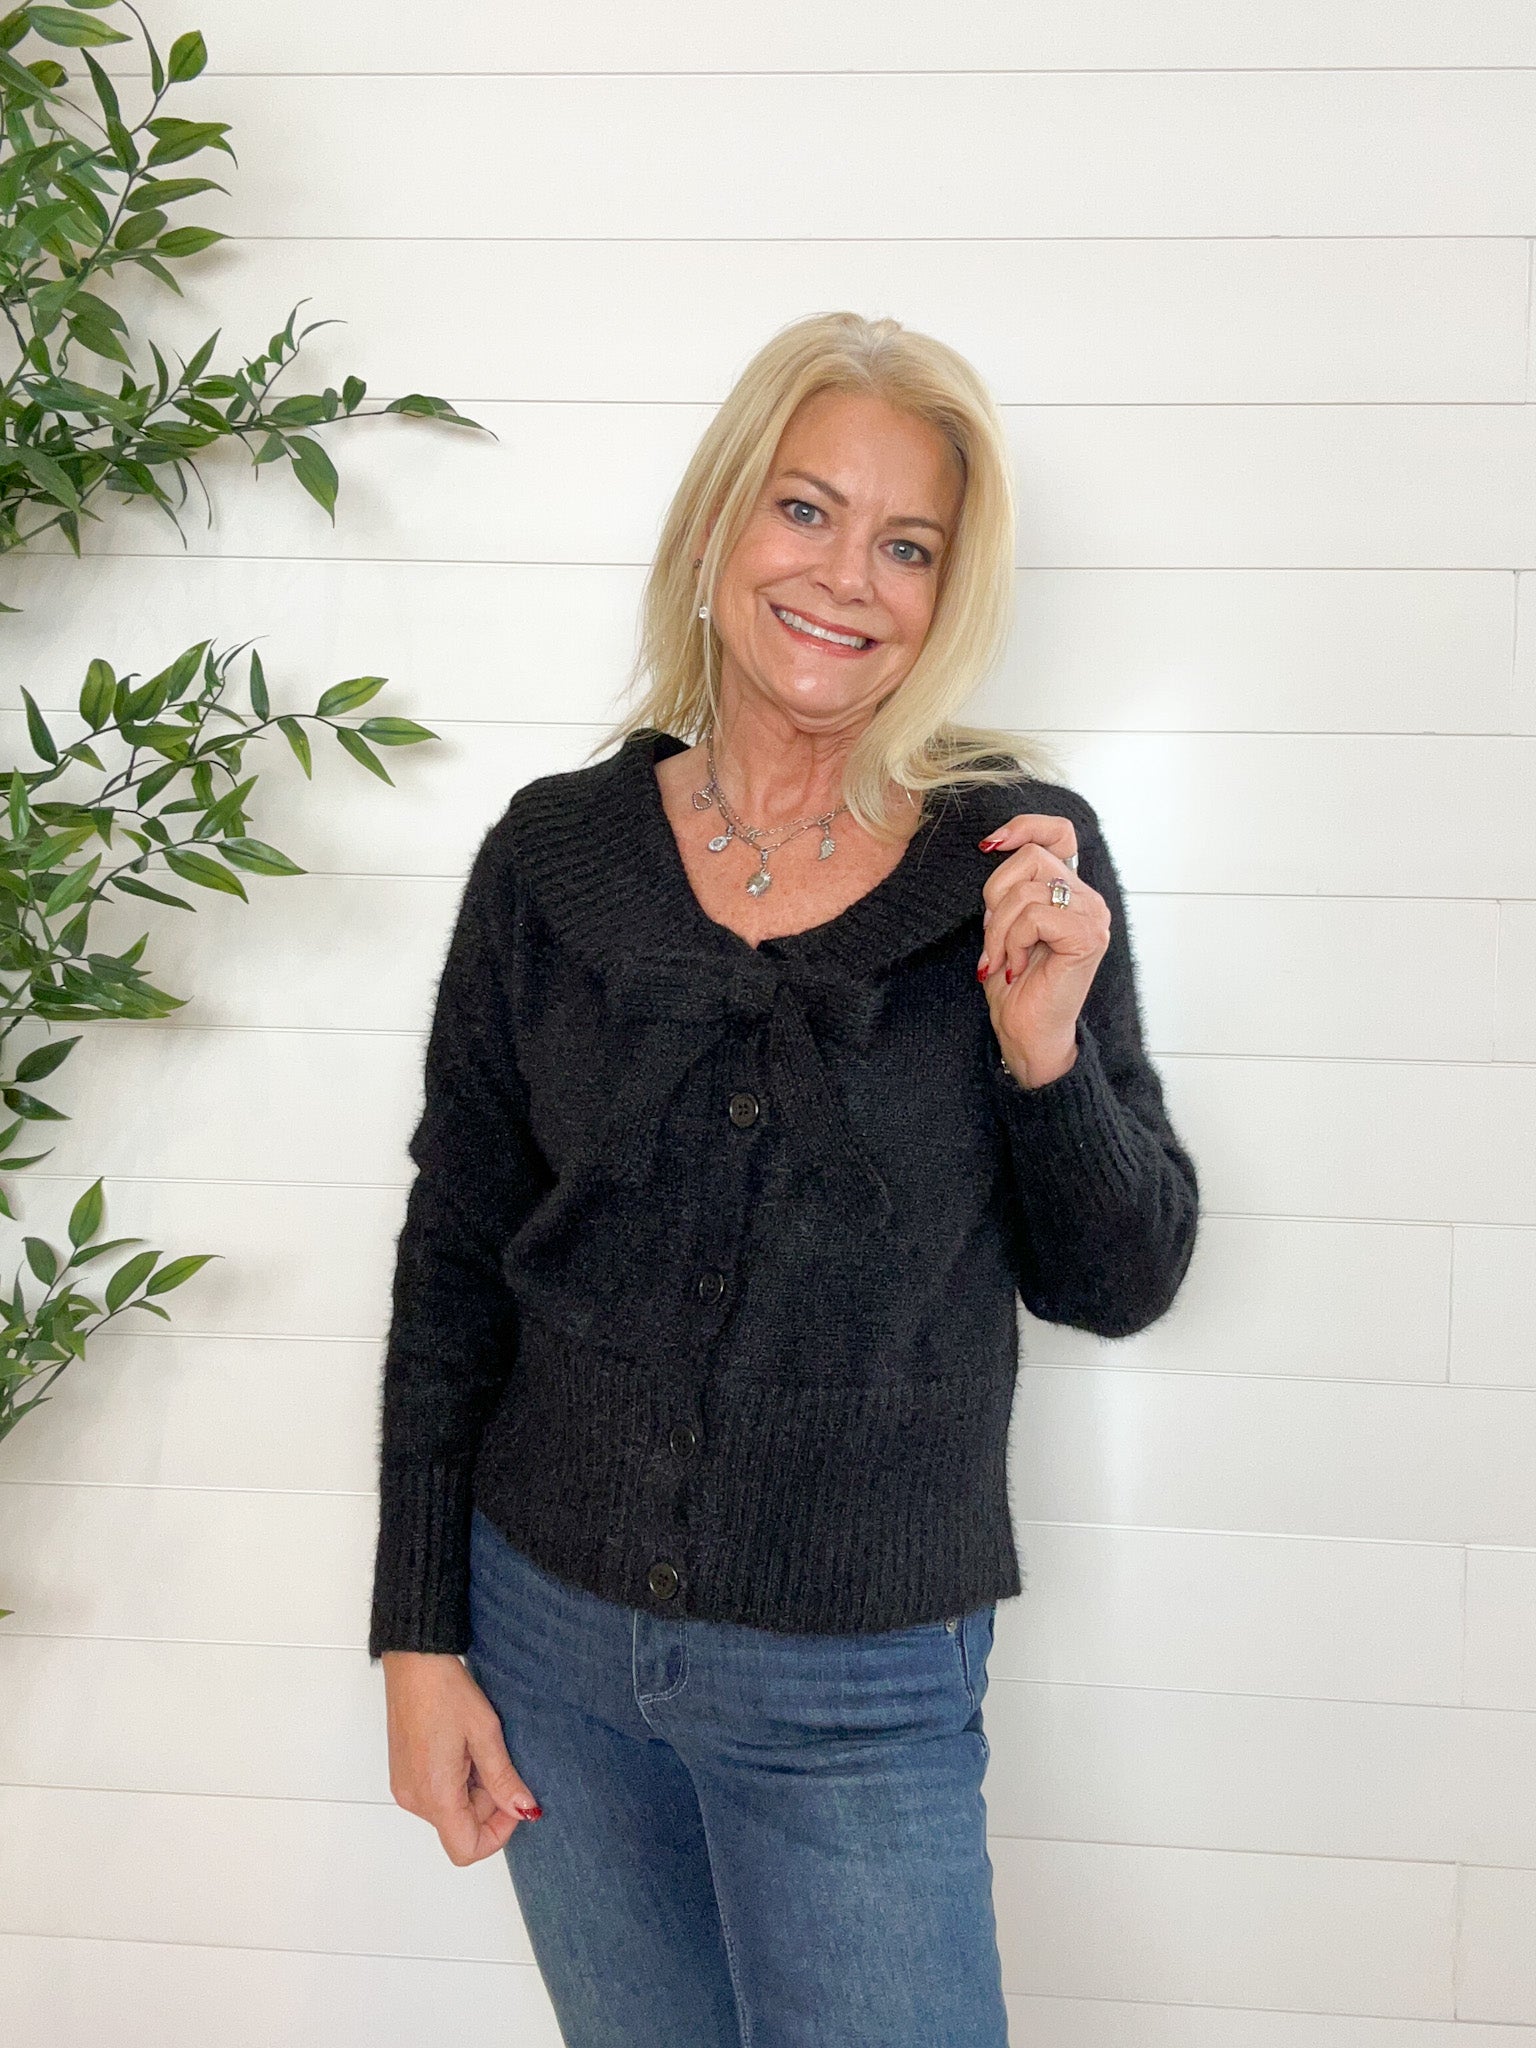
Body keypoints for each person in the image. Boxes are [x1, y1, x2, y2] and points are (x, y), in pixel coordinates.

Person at [368, 310, 1200, 2047]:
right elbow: (455, 1254)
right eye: (806, 510)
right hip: (547, 1645)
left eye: (909, 545)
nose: (846, 578)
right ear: (718, 529)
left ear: (949, 595)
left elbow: (1119, 1280)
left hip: (859, 1678)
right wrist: (419, 1639)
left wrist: (1044, 1054)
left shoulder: (1011, 859)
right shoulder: (552, 854)